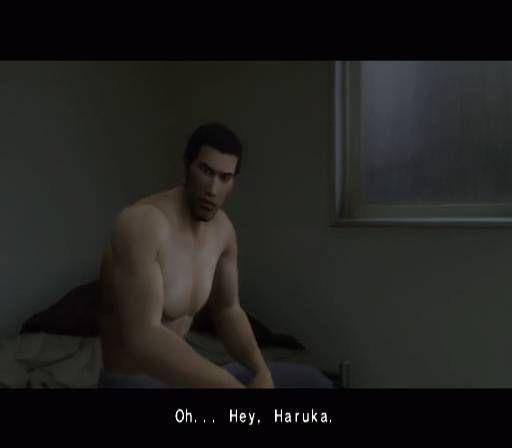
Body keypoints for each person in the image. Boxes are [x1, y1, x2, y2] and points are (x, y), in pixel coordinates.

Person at [98, 123, 332, 388]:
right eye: (206, 171)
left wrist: (261, 371)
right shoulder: (142, 223)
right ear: (187, 166)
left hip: (179, 379)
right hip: (133, 380)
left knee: (314, 382)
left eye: (225, 177)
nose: (212, 189)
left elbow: (227, 310)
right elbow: (143, 337)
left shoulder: (223, 230)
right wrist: (229, 386)